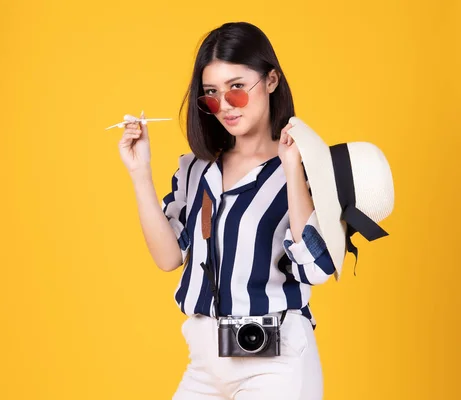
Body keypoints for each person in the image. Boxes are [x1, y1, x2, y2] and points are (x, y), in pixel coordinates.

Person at [119, 22, 335, 400]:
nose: (225, 107)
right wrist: (140, 173)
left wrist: (292, 168)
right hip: (205, 363)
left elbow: (316, 268)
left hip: (276, 362)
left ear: (271, 80)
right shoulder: (197, 170)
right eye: (212, 95)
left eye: (237, 88)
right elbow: (169, 257)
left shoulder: (303, 167)